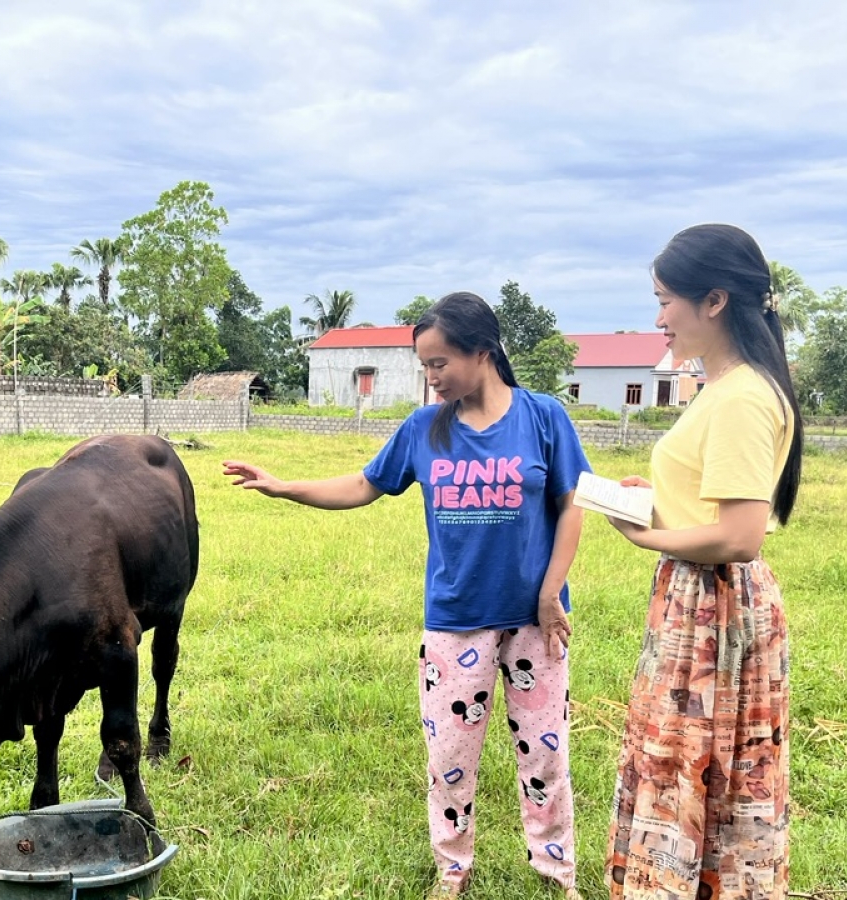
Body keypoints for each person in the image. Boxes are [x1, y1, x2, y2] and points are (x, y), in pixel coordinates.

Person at [224, 292, 590, 900]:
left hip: (536, 622)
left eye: (439, 363)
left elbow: (571, 503)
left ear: (483, 351)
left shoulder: (544, 417)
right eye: (425, 365)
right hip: (455, 623)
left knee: (546, 760)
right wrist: (285, 487)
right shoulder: (425, 427)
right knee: (450, 759)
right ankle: (453, 872)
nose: (431, 377)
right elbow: (366, 485)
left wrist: (551, 593)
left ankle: (556, 874)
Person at [600, 224, 803, 900]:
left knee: (703, 764)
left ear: (714, 300)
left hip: (715, 605)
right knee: (688, 760)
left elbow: (741, 535)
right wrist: (653, 505)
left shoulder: (743, 395)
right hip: (696, 599)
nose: (659, 318)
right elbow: (710, 509)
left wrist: (647, 539)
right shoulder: (721, 389)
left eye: (666, 301)